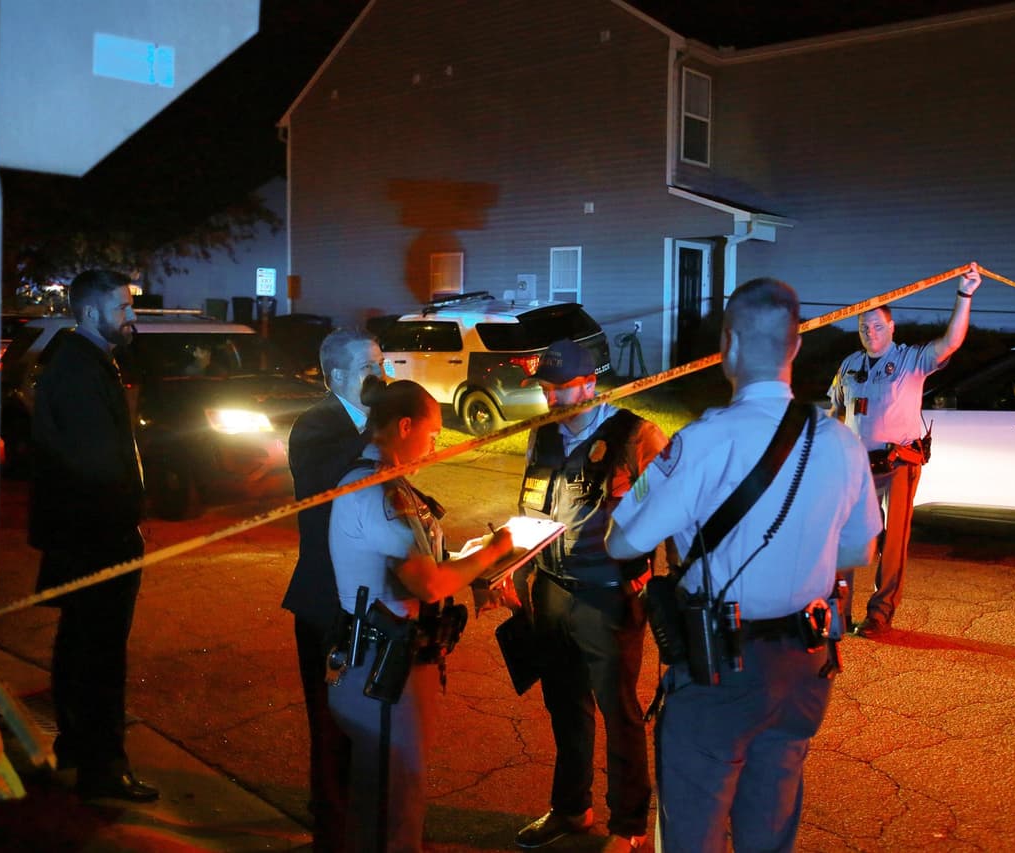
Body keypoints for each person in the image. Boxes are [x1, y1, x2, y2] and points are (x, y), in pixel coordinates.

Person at [605, 277, 881, 853]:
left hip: (720, 667)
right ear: (796, 346)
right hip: (804, 665)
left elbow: (621, 542)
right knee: (770, 826)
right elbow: (859, 552)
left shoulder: (705, 441)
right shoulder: (841, 442)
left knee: (693, 829)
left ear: (727, 344)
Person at [326, 379, 514, 852]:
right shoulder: (378, 491)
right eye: (431, 434)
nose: (434, 445)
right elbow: (427, 583)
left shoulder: (381, 481)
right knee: (395, 803)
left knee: (386, 797)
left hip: (378, 660)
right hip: (384, 669)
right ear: (405, 426)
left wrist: (468, 563)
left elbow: (426, 563)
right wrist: (493, 551)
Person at [512, 339, 667, 852]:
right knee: (564, 705)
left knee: (618, 711)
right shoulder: (541, 435)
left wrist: (654, 576)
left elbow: (671, 509)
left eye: (563, 388)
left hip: (609, 597)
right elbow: (532, 511)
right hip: (552, 591)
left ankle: (628, 826)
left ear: (590, 384)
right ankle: (571, 808)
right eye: (547, 389)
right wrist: (509, 572)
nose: (554, 399)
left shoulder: (636, 435)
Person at [28, 269, 158, 802]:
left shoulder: (85, 362)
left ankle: (79, 748)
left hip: (84, 533)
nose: (130, 317)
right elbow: (94, 465)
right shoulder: (79, 370)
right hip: (95, 538)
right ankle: (103, 767)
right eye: (122, 308)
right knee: (100, 654)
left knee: (80, 646)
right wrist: (125, 524)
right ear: (88, 313)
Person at [827, 263, 982, 639]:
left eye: (878, 326)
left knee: (892, 544)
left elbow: (951, 342)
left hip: (897, 463)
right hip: (855, 468)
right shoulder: (849, 366)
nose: (870, 332)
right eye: (864, 326)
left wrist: (964, 295)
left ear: (892, 327)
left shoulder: (912, 361)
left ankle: (880, 614)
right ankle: (839, 613)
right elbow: (834, 412)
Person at [283, 329, 384, 851]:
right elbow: (327, 483)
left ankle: (360, 821)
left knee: (365, 723)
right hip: (326, 600)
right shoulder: (316, 426)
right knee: (329, 725)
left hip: (369, 601)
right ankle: (331, 832)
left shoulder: (372, 428)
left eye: (382, 365)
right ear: (338, 376)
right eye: (369, 369)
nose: (382, 378)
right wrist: (380, 433)